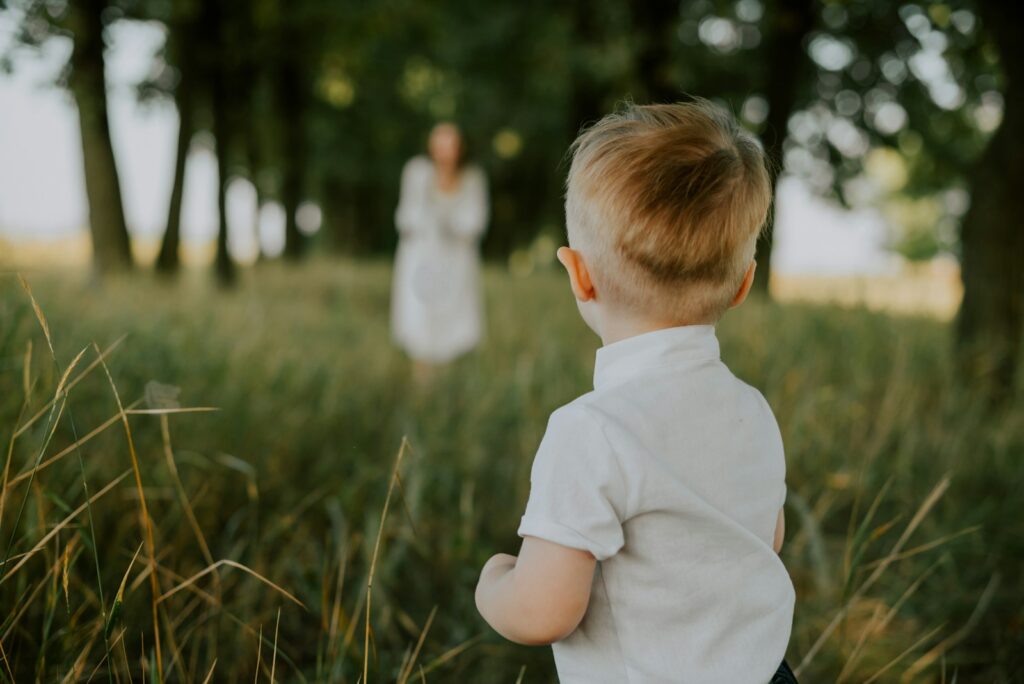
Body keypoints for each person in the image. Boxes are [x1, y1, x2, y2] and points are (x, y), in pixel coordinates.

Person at [474, 99, 797, 683]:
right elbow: (766, 537)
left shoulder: (591, 431)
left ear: (578, 274)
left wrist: (494, 581)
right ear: (744, 283)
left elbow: (544, 610)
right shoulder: (753, 410)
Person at [391, 123, 489, 371]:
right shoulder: (417, 172)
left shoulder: (473, 177)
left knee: (453, 321)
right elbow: (405, 217)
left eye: (451, 145)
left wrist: (449, 226)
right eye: (440, 145)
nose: (445, 152)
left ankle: (449, 381)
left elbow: (476, 222)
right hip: (420, 259)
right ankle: (422, 378)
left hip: (457, 264)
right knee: (420, 317)